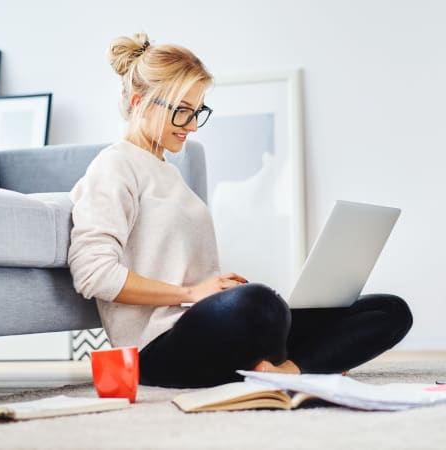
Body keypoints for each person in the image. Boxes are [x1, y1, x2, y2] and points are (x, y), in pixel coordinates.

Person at [67, 32, 413, 389]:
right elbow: (93, 274)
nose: (191, 125)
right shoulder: (114, 166)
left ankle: (287, 371)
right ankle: (308, 359)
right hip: (156, 348)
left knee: (389, 311)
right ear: (140, 103)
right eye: (182, 111)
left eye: (198, 111)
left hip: (208, 328)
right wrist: (191, 293)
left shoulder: (169, 173)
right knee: (260, 305)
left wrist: (216, 289)